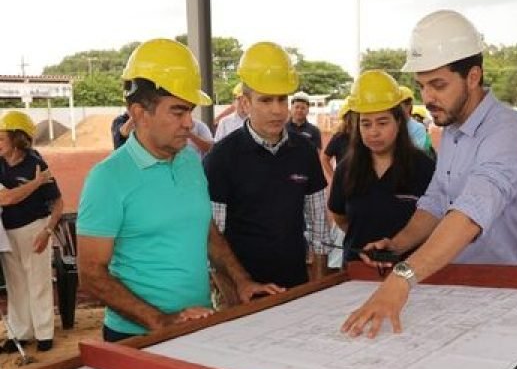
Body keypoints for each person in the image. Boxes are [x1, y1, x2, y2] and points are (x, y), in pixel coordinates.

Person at [342, 9, 517, 337]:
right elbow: (436, 201)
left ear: (473, 76)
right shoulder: (451, 129)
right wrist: (397, 243)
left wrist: (402, 277)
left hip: (500, 291)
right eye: (422, 86)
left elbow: (468, 215)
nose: (428, 98)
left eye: (438, 85)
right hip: (449, 285)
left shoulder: (508, 132)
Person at [77, 38, 282, 342]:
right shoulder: (107, 178)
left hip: (195, 324)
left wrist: (242, 282)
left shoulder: (189, 160)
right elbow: (91, 274)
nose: (190, 123)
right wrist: (160, 321)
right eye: (177, 112)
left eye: (190, 111)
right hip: (135, 338)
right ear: (139, 113)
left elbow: (206, 229)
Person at [203, 41, 330, 289]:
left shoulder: (305, 151)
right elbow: (213, 239)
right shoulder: (221, 157)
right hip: (245, 290)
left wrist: (315, 287)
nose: (277, 110)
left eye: (283, 100)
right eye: (266, 100)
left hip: (295, 284)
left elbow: (319, 230)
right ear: (246, 103)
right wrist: (234, 300)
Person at [328, 71, 435, 264]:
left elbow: (435, 219)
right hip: (356, 274)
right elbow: (340, 217)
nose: (373, 132)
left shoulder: (424, 168)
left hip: (409, 275)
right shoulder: (346, 169)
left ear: (399, 122)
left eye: (382, 122)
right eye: (366, 124)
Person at [0, 110, 64, 352]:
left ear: (17, 139)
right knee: (16, 286)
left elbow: (58, 204)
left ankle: (44, 333)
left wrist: (47, 231)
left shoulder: (36, 163)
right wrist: (36, 183)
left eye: (1, 138)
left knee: (38, 283)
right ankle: (21, 333)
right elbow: (4, 199)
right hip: (7, 233)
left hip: (34, 229)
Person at [320, 97, 352, 185]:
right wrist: (334, 178)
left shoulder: (364, 137)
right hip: (344, 184)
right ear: (347, 118)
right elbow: (325, 158)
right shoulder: (339, 137)